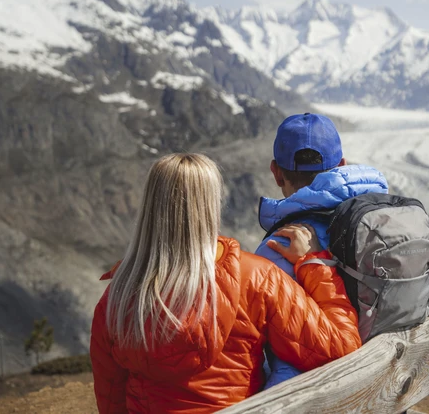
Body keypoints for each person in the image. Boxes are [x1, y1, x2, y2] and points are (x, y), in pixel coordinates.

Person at [90, 153, 362, 414]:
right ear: (212, 204)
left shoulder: (118, 298)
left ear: (150, 207)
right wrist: (314, 264)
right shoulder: (257, 278)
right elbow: (340, 347)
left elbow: (112, 401)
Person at [256, 113, 429, 389]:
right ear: (341, 165)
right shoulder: (390, 226)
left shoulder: (275, 250)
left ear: (276, 172)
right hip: (390, 389)